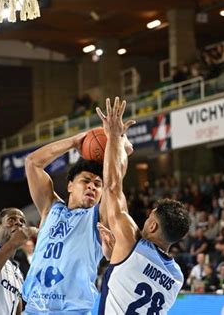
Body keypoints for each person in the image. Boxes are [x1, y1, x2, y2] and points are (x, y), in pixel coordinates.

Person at [22, 108, 133, 314]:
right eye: (86, 181)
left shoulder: (98, 217)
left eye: (97, 184)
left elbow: (114, 183)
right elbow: (32, 163)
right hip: (34, 309)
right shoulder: (50, 208)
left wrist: (116, 141)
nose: (92, 186)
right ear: (70, 185)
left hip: (72, 311)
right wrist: (75, 142)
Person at [95, 97, 190, 314]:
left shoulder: (130, 241)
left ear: (154, 226)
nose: (145, 221)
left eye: (149, 218)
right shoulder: (177, 277)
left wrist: (113, 137)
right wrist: (116, 257)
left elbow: (111, 187)